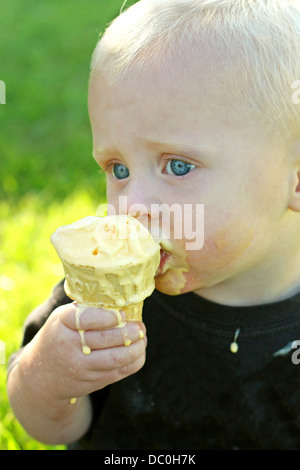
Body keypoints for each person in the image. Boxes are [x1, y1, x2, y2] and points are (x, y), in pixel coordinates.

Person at [7, 0, 300, 450]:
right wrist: (47, 378)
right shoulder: (100, 303)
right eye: (117, 169)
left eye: (178, 166)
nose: (133, 206)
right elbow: (55, 428)